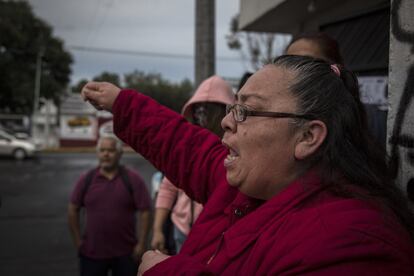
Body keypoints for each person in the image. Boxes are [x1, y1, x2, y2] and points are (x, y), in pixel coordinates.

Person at [81, 55, 414, 275]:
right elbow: (188, 148)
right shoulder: (249, 185)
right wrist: (122, 103)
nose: (226, 122)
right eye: (232, 107)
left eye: (246, 111)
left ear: (308, 136)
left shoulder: (354, 245)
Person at [151, 75, 235, 254]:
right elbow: (168, 188)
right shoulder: (187, 148)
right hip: (181, 230)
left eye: (209, 111)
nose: (203, 117)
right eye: (199, 110)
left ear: (226, 113)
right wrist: (158, 230)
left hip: (217, 237)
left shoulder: (236, 150)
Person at [67, 134, 151, 276]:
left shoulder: (132, 179)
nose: (106, 154)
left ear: (120, 153)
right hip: (91, 253)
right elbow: (73, 209)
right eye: (102, 150)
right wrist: (78, 242)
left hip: (126, 253)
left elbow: (145, 211)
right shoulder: (87, 179)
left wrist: (142, 243)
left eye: (110, 151)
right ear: (98, 153)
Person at [286, 31, 387, 147]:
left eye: (306, 63)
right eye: (289, 63)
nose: (296, 71)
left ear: (335, 69)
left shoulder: (373, 120)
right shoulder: (280, 117)